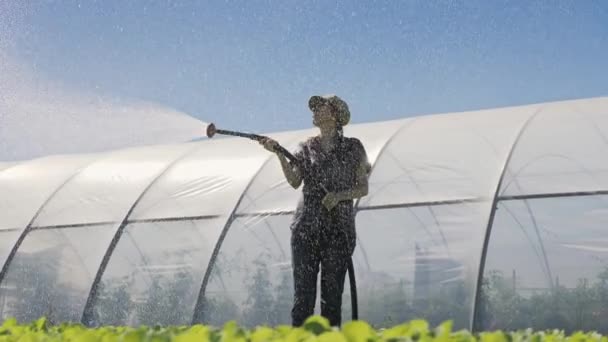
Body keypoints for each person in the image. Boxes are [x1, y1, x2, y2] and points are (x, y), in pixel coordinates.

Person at [259, 94, 371, 327]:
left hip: (338, 234)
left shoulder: (353, 148)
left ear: (335, 114)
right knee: (303, 301)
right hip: (305, 231)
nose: (314, 111)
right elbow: (294, 181)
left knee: (331, 302)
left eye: (320, 106)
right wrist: (279, 153)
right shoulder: (306, 147)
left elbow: (363, 187)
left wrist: (339, 196)